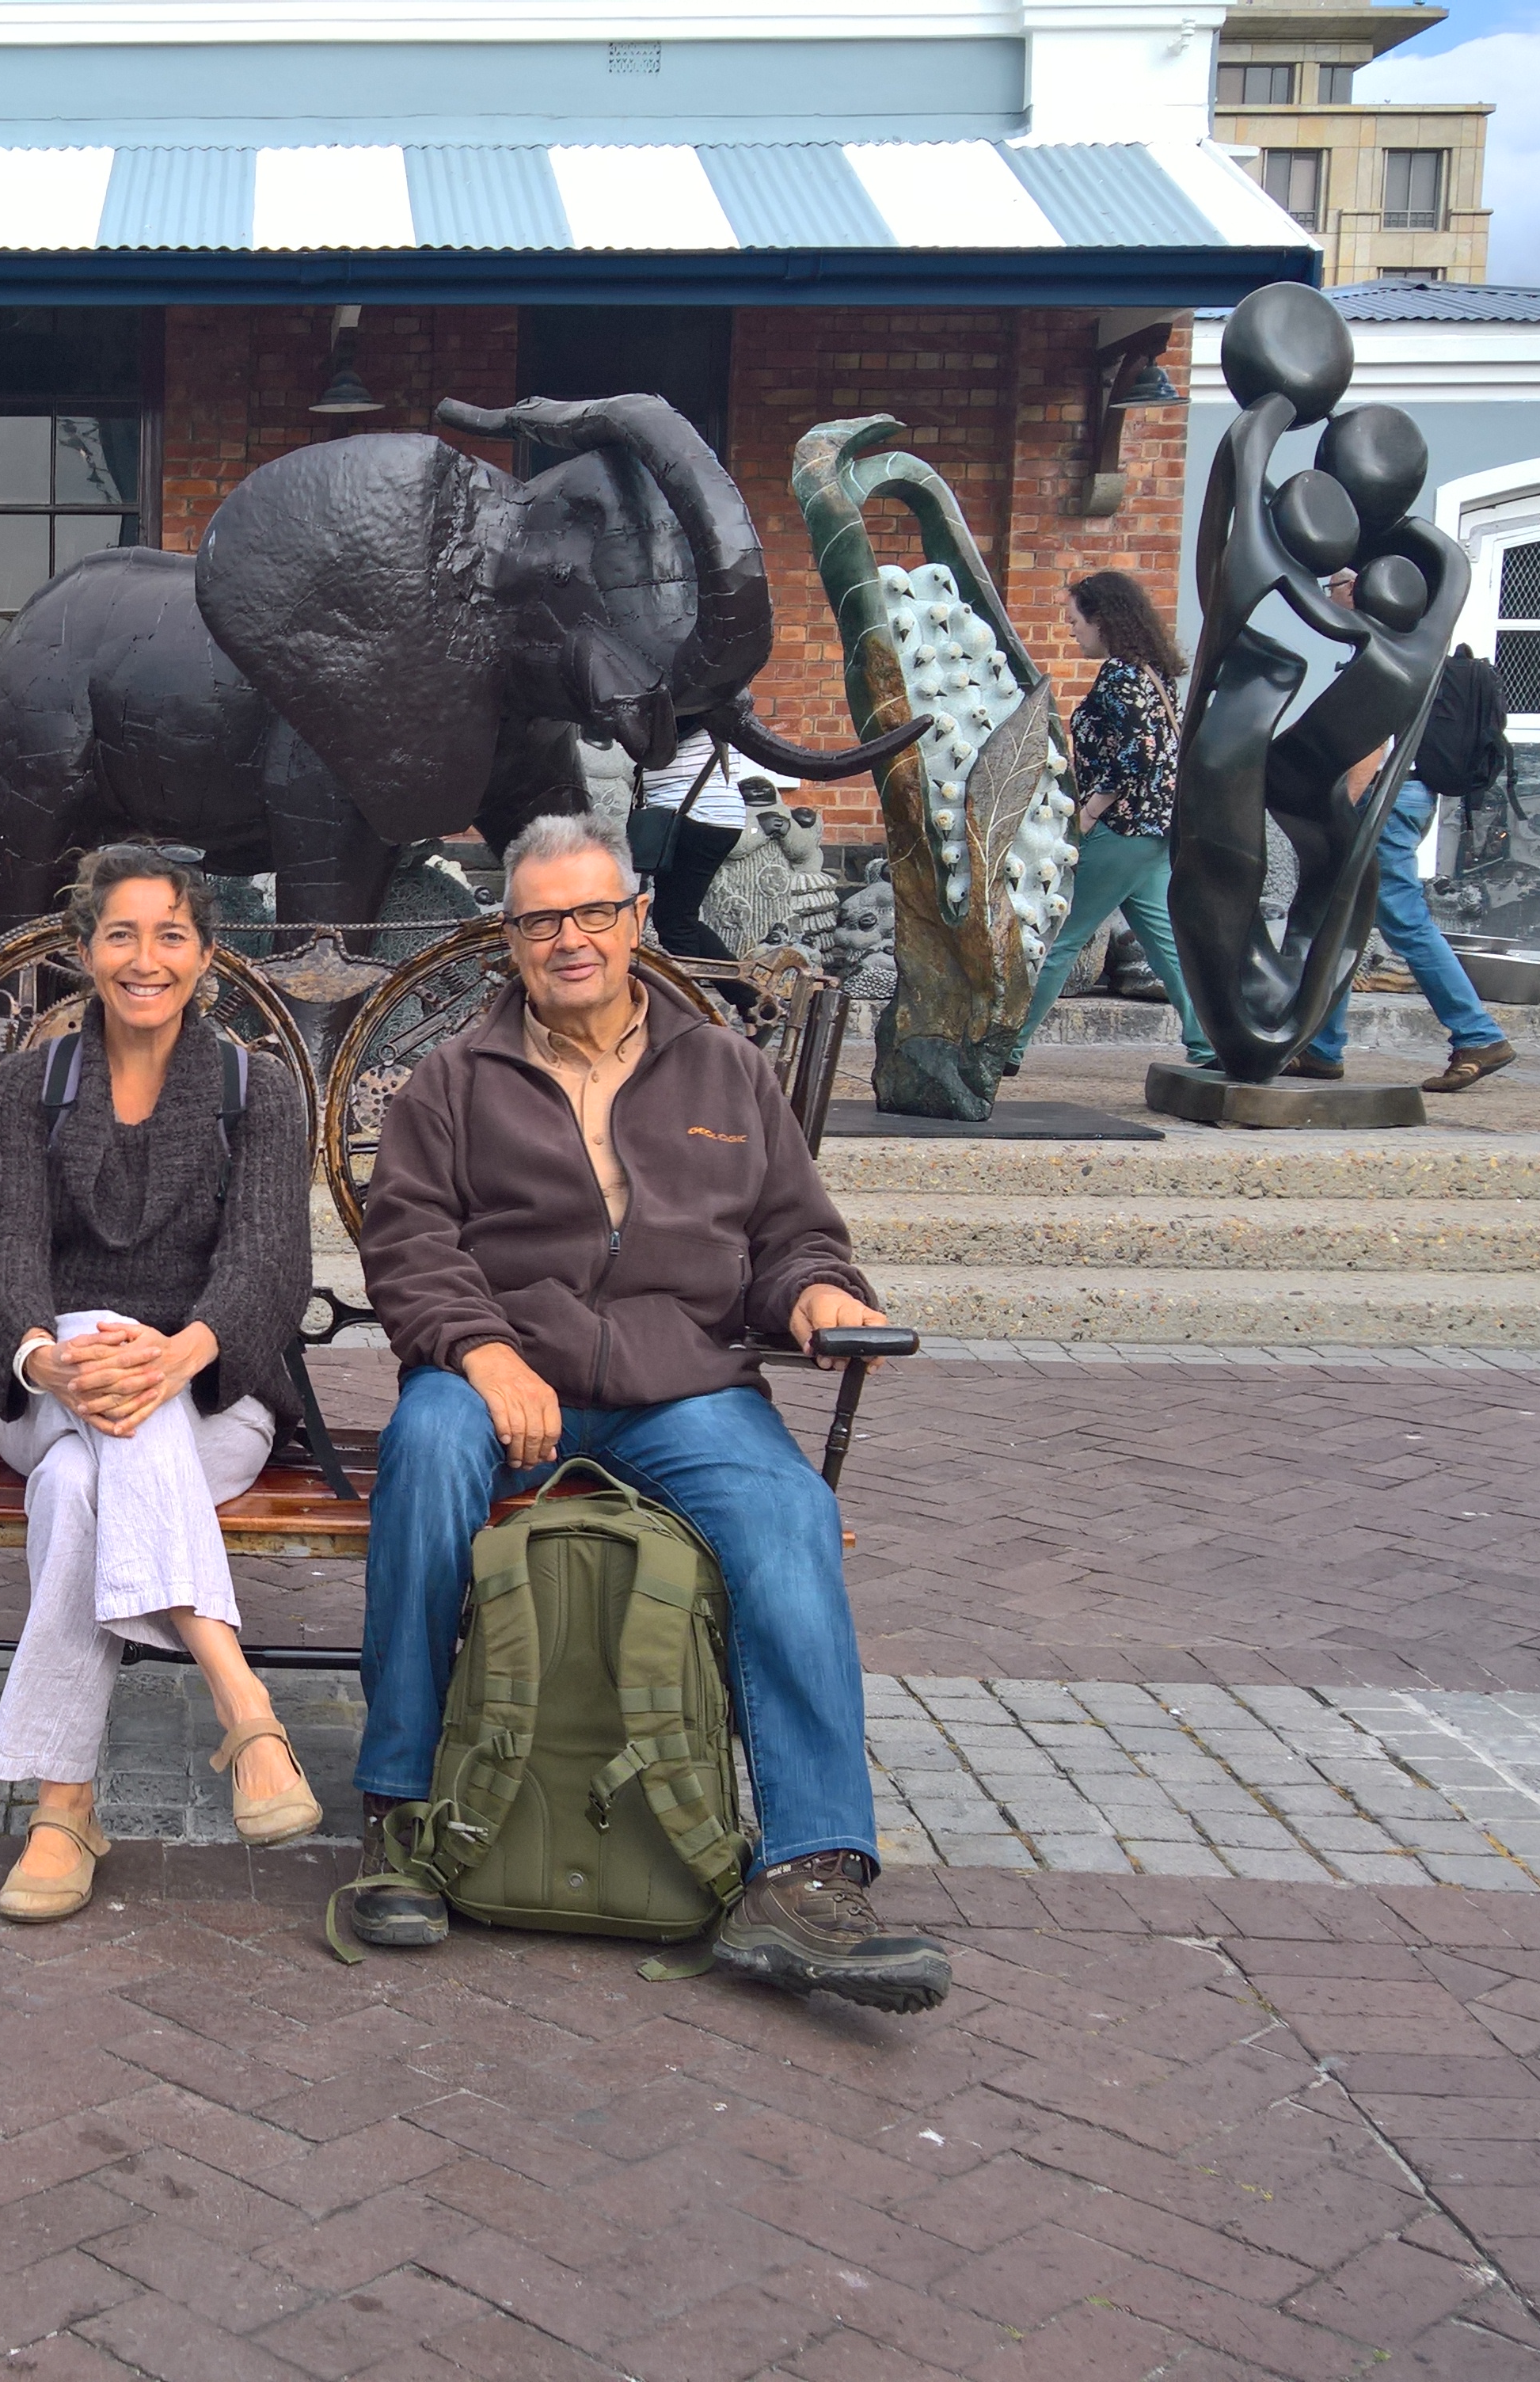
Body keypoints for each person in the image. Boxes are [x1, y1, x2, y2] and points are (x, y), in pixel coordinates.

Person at [341, 813, 951, 2014]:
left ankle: (806, 1875)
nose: (570, 939)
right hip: (508, 1379)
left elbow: (791, 1233)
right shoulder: (452, 1083)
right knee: (424, 1449)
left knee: (788, 1515)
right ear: (506, 940)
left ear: (637, 920)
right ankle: (402, 1817)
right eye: (540, 920)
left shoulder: (722, 1066)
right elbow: (409, 1244)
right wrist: (479, 1351)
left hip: (688, 1388)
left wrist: (819, 1292)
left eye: (593, 913)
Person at [0, 845, 322, 1924]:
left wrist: (175, 1355)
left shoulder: (256, 1089)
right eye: (121, 934)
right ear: (84, 954)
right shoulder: (30, 1088)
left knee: (80, 1490)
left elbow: (268, 1267)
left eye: (171, 935)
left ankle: (64, 1808)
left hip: (212, 1390)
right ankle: (240, 1698)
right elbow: (5, 1261)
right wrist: (49, 1359)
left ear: (206, 956)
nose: (145, 958)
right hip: (46, 1388)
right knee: (95, 1366)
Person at [1287, 583, 1515, 1093]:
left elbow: (1368, 745)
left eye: (1336, 586)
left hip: (1383, 799)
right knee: (1340, 915)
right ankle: (1323, 1048)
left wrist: (1340, 812)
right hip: (1409, 795)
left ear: (1360, 591)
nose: (1328, 595)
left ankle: (1478, 1033)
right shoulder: (1410, 646)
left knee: (1402, 919)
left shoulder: (1377, 651)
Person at [1017, 572, 1213, 1071]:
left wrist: (1088, 814)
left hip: (1121, 829)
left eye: (1075, 620)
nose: (1070, 631)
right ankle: (1210, 1044)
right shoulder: (1152, 673)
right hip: (1152, 832)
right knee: (1166, 946)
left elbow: (1135, 758)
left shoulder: (1120, 677)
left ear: (1103, 619)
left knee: (1060, 938)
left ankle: (1004, 1049)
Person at [626, 726, 750, 963]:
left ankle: (683, 998)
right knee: (676, 918)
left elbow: (654, 739)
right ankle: (745, 994)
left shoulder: (691, 700)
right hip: (699, 814)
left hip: (697, 814)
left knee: (675, 924)